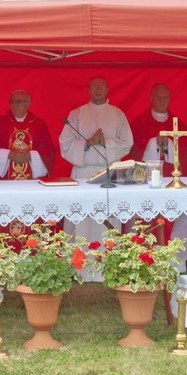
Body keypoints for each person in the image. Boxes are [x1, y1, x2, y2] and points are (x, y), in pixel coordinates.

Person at [59, 77, 132, 280]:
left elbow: (127, 143)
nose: (97, 90)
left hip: (108, 173)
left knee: (106, 220)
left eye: (101, 86)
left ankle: (107, 267)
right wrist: (88, 143)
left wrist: (105, 142)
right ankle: (78, 267)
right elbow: (65, 143)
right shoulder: (77, 114)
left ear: (107, 88)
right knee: (80, 220)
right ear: (88, 90)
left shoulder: (117, 114)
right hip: (83, 173)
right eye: (93, 87)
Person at [0, 89, 55, 181]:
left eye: (19, 102)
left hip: (32, 177)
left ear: (28, 104)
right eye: (12, 102)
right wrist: (9, 154)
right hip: (4, 177)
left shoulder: (39, 124)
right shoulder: (0, 122)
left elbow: (48, 150)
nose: (15, 105)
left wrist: (30, 156)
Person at [129, 83, 187, 176]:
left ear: (170, 99)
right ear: (151, 98)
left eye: (165, 97)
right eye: (158, 97)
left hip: (170, 175)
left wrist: (169, 144)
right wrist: (154, 143)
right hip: (147, 176)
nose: (162, 101)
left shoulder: (177, 123)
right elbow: (133, 146)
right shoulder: (139, 123)